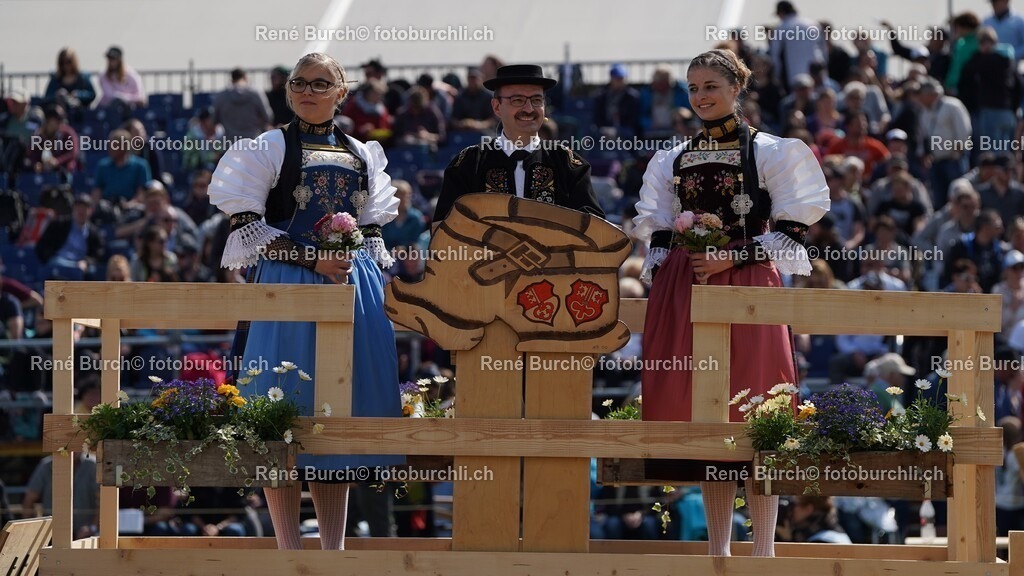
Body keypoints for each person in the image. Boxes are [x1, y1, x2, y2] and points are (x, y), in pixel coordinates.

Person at [633, 49, 829, 557]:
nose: (700, 96)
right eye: (693, 88)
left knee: (758, 412)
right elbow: (656, 228)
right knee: (705, 418)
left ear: (735, 88)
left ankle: (763, 551)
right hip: (687, 288)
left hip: (746, 288)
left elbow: (791, 233)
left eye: (710, 87)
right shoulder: (671, 158)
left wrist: (728, 257)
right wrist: (673, 269)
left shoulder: (768, 152)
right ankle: (718, 553)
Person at [209, 52, 402, 551]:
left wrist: (354, 272)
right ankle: (288, 550)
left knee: (335, 421)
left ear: (342, 93)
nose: (308, 91)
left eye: (321, 83)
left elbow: (374, 234)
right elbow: (248, 230)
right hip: (288, 285)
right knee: (282, 415)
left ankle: (332, 550)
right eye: (299, 83)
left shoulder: (363, 153)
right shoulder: (269, 147)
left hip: (350, 285)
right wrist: (314, 259)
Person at [433, 64, 603, 223]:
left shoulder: (568, 163)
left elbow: (594, 228)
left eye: (536, 100)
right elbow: (445, 229)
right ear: (497, 107)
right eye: (518, 100)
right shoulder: (468, 163)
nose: (529, 109)